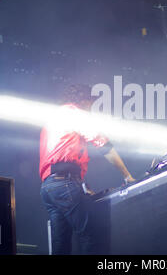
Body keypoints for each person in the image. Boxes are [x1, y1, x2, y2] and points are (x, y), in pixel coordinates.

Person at [39, 84, 135, 255]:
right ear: (83, 100)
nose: (91, 109)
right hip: (64, 184)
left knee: (60, 246)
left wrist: (79, 187)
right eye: (90, 104)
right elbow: (101, 143)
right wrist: (127, 176)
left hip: (48, 188)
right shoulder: (74, 113)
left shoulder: (52, 119)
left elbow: (59, 156)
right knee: (91, 235)